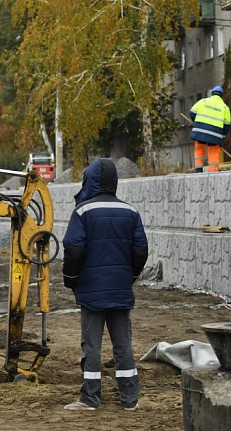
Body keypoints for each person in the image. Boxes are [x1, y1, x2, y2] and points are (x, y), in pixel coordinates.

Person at [61, 158, 149, 412]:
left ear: (89, 179)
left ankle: (90, 399)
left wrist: (71, 279)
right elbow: (140, 250)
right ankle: (130, 399)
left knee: (91, 345)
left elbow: (74, 248)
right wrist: (129, 277)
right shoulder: (130, 212)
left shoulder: (82, 211)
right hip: (121, 289)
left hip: (90, 291)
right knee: (123, 345)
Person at [189, 86, 231, 173]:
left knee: (199, 148)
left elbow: (192, 112)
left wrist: (197, 123)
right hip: (215, 134)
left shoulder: (203, 101)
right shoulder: (225, 107)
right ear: (221, 96)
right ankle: (213, 172)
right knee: (214, 151)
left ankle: (199, 170)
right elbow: (227, 125)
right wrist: (222, 135)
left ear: (212, 94)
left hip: (199, 131)